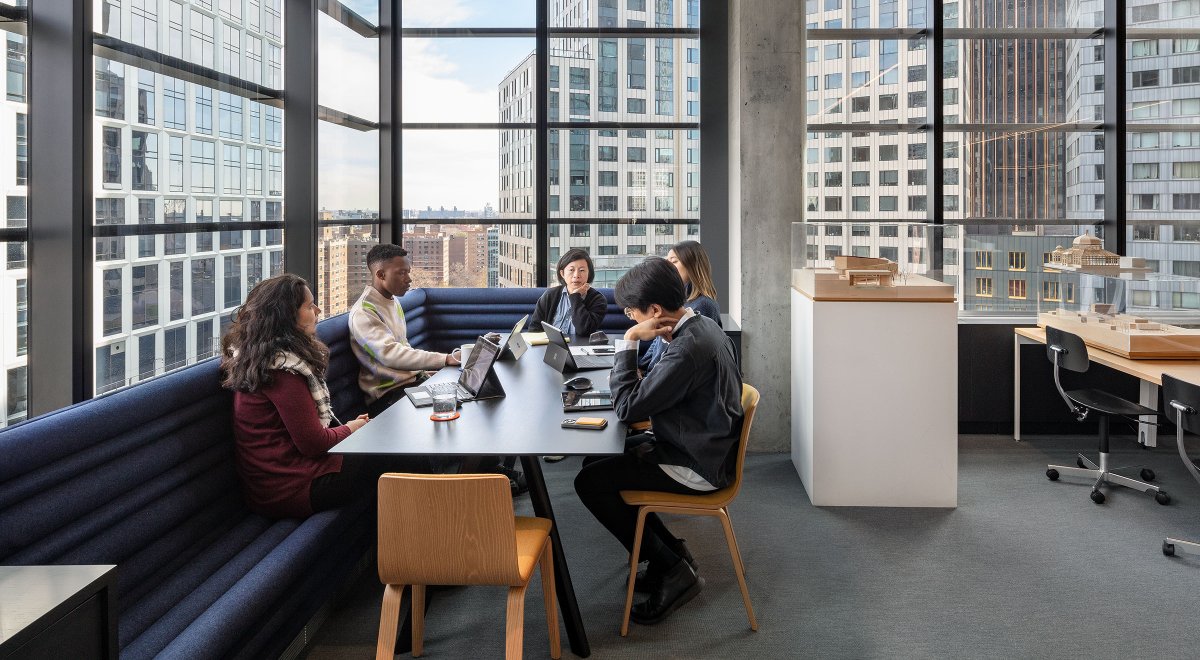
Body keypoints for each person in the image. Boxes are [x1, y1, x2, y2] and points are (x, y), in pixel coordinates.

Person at [573, 257, 744, 626]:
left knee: (589, 482)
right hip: (698, 445)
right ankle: (673, 552)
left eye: (632, 315)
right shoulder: (700, 328)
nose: (630, 321)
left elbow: (627, 407)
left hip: (696, 464)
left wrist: (630, 341)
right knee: (593, 465)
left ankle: (673, 569)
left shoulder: (687, 348)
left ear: (653, 311)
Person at [224, 274, 427, 518]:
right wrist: (352, 428)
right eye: (309, 306)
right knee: (397, 453)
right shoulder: (281, 371)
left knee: (392, 447)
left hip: (284, 479)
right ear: (286, 316)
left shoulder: (263, 359)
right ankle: (420, 535)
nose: (318, 310)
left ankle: (414, 535)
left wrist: (354, 428)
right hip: (291, 487)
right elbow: (314, 444)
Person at [349, 244, 461, 417]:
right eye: (401, 273)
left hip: (410, 385)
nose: (408, 279)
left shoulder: (392, 301)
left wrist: (422, 373)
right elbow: (391, 355)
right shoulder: (364, 312)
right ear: (380, 275)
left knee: (462, 394)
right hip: (388, 397)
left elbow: (403, 346)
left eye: (408, 272)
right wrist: (446, 359)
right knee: (452, 406)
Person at [641, 240, 722, 372]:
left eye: (674, 261)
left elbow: (686, 357)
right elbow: (659, 341)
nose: (667, 266)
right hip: (658, 374)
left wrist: (648, 374)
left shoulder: (704, 305)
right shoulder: (678, 300)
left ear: (692, 266)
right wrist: (641, 366)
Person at [530, 248, 607, 339]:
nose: (576, 275)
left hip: (581, 349)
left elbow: (584, 330)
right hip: (551, 348)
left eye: (582, 270)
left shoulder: (598, 300)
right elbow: (534, 329)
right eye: (571, 270)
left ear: (589, 274)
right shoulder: (550, 296)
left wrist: (575, 297)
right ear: (562, 273)